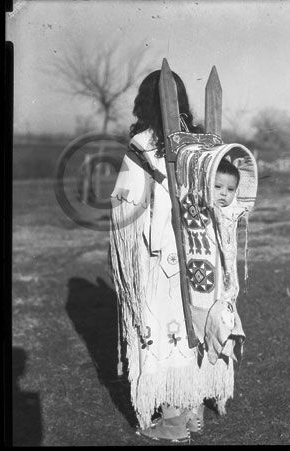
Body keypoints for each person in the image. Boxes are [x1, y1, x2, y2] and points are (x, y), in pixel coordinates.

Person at [109, 69, 245, 443]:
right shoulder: (203, 143)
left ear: (143, 102)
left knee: (163, 327)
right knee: (194, 327)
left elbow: (127, 203)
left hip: (161, 257)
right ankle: (192, 410)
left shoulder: (142, 145)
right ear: (181, 101)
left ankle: (173, 421)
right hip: (202, 254)